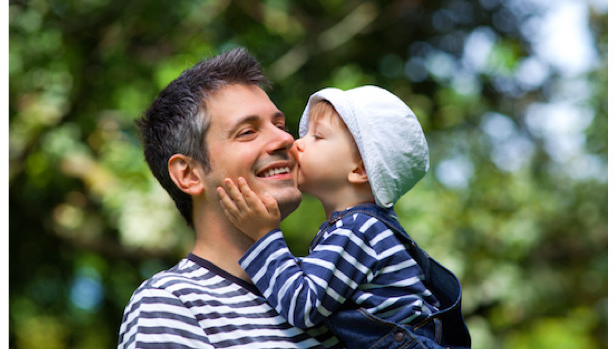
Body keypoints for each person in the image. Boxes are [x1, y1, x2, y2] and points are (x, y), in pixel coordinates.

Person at [117, 48, 345, 349]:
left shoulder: (330, 285)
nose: (285, 139)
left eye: (279, 124)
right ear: (188, 175)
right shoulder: (169, 304)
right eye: (248, 132)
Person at [217, 86, 471, 349]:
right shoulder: (366, 229)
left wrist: (264, 237)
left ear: (360, 168)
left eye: (317, 137)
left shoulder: (358, 231)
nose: (296, 143)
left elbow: (302, 306)